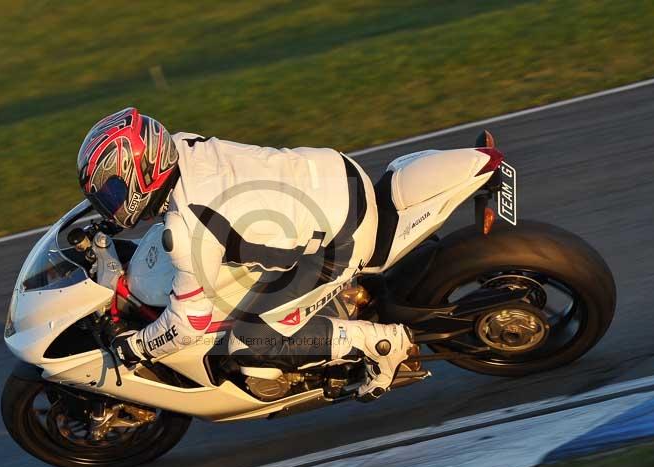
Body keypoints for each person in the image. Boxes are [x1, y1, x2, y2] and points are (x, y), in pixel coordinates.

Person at [77, 107, 416, 401]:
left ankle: (382, 343)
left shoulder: (189, 228)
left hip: (342, 236)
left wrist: (135, 348)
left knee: (250, 344)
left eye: (114, 191)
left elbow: (188, 325)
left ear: (145, 173)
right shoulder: (180, 145)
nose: (110, 203)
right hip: (335, 171)